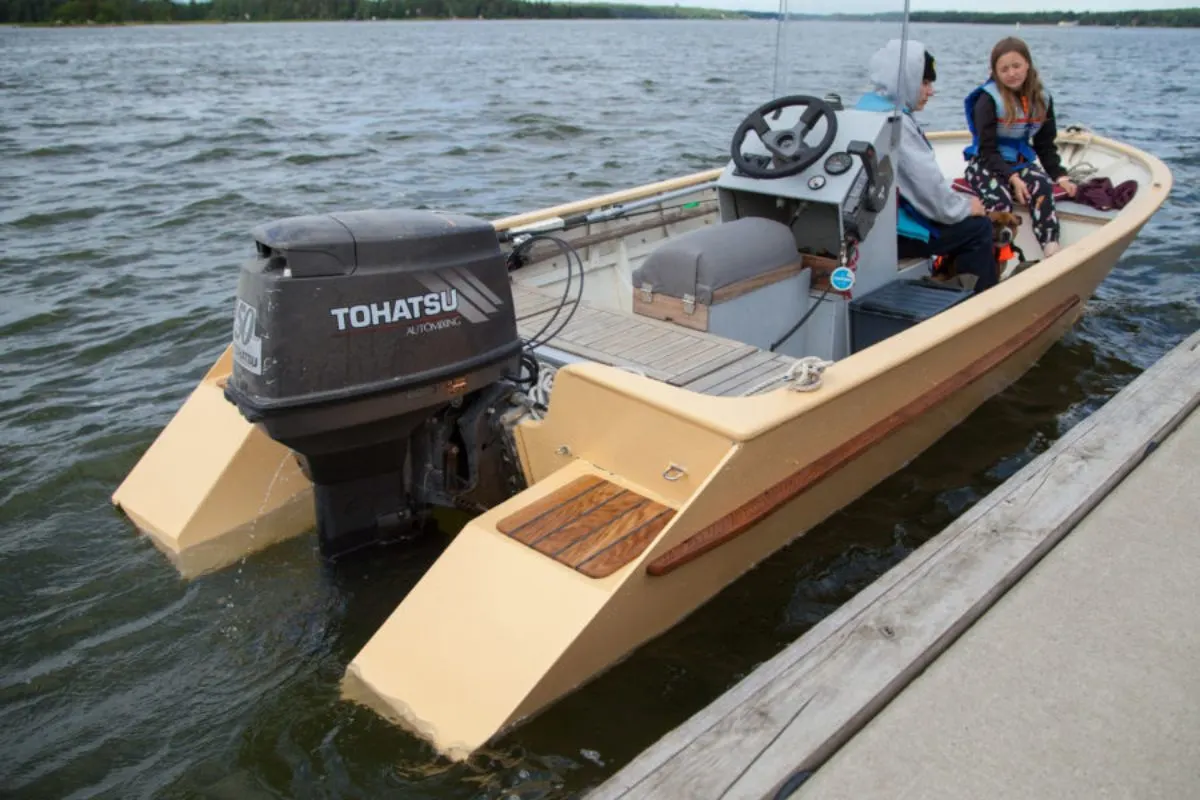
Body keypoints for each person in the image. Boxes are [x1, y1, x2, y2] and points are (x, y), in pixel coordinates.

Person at [857, 39, 997, 293]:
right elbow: (932, 195)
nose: (931, 91)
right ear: (906, 81)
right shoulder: (897, 123)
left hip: (863, 228)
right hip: (892, 237)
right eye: (925, 82)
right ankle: (976, 304)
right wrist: (968, 207)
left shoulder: (862, 109)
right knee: (979, 229)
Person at [963, 37, 1077, 258]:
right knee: (1001, 200)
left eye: (1016, 66)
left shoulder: (1042, 99)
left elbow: (1044, 145)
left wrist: (1059, 176)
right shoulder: (987, 100)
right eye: (1004, 69)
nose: (1011, 73)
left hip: (1018, 161)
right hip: (985, 162)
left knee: (1042, 185)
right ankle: (992, 256)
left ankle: (1050, 246)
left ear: (1028, 65)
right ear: (995, 71)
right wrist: (1012, 179)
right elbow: (987, 150)